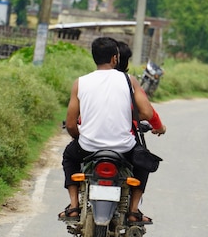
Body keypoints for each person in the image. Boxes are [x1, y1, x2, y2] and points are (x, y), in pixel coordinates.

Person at [59, 37, 166, 224]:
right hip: (123, 147)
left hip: (88, 146)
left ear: (94, 58)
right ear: (115, 58)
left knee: (69, 156)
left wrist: (82, 138)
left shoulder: (80, 82)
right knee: (143, 161)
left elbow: (70, 124)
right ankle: (133, 211)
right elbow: (148, 112)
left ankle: (74, 206)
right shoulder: (128, 80)